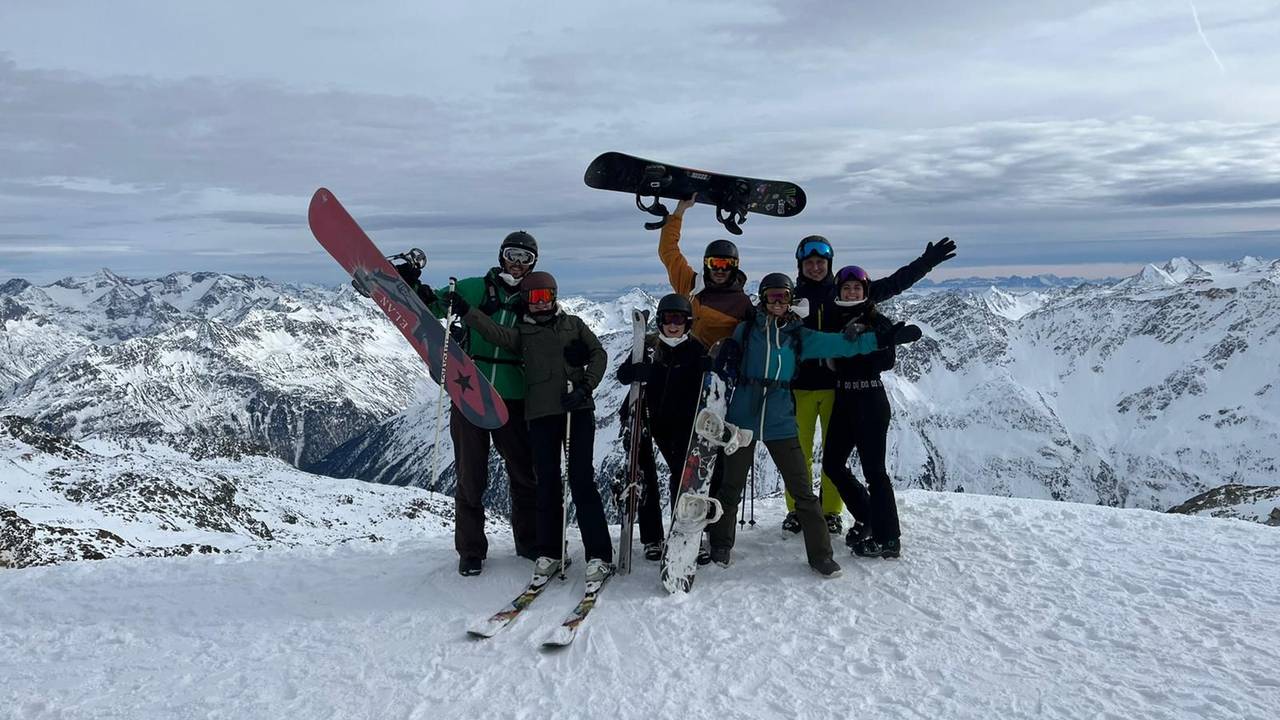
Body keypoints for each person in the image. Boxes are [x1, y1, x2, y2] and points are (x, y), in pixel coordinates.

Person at [707, 273, 923, 578]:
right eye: (773, 296)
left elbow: (841, 345)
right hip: (744, 415)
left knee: (803, 492)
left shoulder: (798, 336)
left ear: (791, 299)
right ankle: (720, 545)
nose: (778, 302)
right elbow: (716, 349)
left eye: (784, 296)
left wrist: (880, 339)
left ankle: (821, 555)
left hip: (781, 418)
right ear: (763, 298)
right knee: (730, 487)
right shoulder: (745, 331)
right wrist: (723, 355)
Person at [448, 271, 613, 585]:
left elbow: (599, 354)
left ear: (554, 297)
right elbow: (494, 333)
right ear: (525, 300)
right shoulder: (522, 333)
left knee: (581, 482)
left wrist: (585, 386)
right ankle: (547, 550)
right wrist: (467, 311)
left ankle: (599, 554)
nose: (540, 303)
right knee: (547, 484)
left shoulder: (573, 325)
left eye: (546, 297)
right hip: (539, 417)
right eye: (534, 298)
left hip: (575, 412)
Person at [785, 234, 957, 536]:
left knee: (830, 456)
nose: (815, 267)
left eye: (820, 262)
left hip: (835, 387)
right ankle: (798, 509)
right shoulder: (791, 297)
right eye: (809, 262)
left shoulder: (844, 291)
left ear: (829, 264)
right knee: (798, 454)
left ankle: (831, 512)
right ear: (800, 266)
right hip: (798, 385)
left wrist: (926, 263)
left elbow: (893, 284)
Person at [396, 231, 542, 577]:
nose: (518, 264)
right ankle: (471, 550)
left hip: (515, 397)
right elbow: (433, 305)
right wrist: (411, 285)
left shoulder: (535, 296)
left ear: (534, 262)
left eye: (526, 258)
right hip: (471, 390)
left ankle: (529, 541)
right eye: (512, 254)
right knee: (470, 475)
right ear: (501, 255)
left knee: (524, 474)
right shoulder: (474, 287)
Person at [821, 266, 914, 559]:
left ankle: (889, 539)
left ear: (865, 292)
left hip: (870, 399)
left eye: (857, 289)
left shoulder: (876, 320)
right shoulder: (833, 318)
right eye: (847, 289)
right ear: (839, 291)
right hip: (844, 397)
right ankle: (868, 515)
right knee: (832, 464)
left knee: (875, 472)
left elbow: (886, 362)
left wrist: (870, 340)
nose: (851, 293)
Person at [615, 293, 711, 561]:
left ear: (687, 322)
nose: (673, 325)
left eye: (678, 319)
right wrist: (636, 371)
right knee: (643, 477)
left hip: (681, 423)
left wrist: (708, 369)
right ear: (660, 320)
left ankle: (685, 532)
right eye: (668, 318)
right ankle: (652, 538)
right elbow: (622, 375)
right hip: (645, 418)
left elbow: (709, 387)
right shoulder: (647, 347)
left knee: (683, 479)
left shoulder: (696, 350)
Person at [658, 195, 755, 346]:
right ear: (706, 264)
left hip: (715, 366)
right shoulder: (690, 284)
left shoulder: (742, 304)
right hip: (683, 362)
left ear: (735, 266)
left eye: (727, 264)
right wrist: (679, 212)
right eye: (714, 263)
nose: (720, 269)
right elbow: (668, 252)